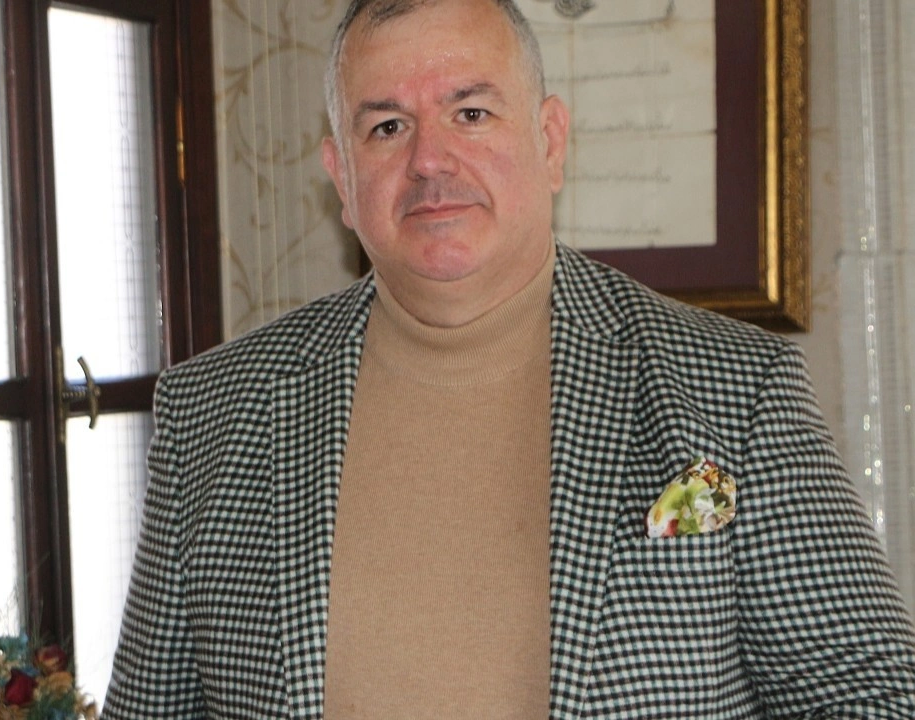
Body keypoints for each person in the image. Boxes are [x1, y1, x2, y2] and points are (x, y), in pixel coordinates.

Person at [102, 0, 915, 717]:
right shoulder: (213, 412)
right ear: (341, 178)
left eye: (471, 113)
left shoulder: (736, 393)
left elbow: (872, 698)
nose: (429, 160)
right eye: (387, 127)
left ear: (550, 141)